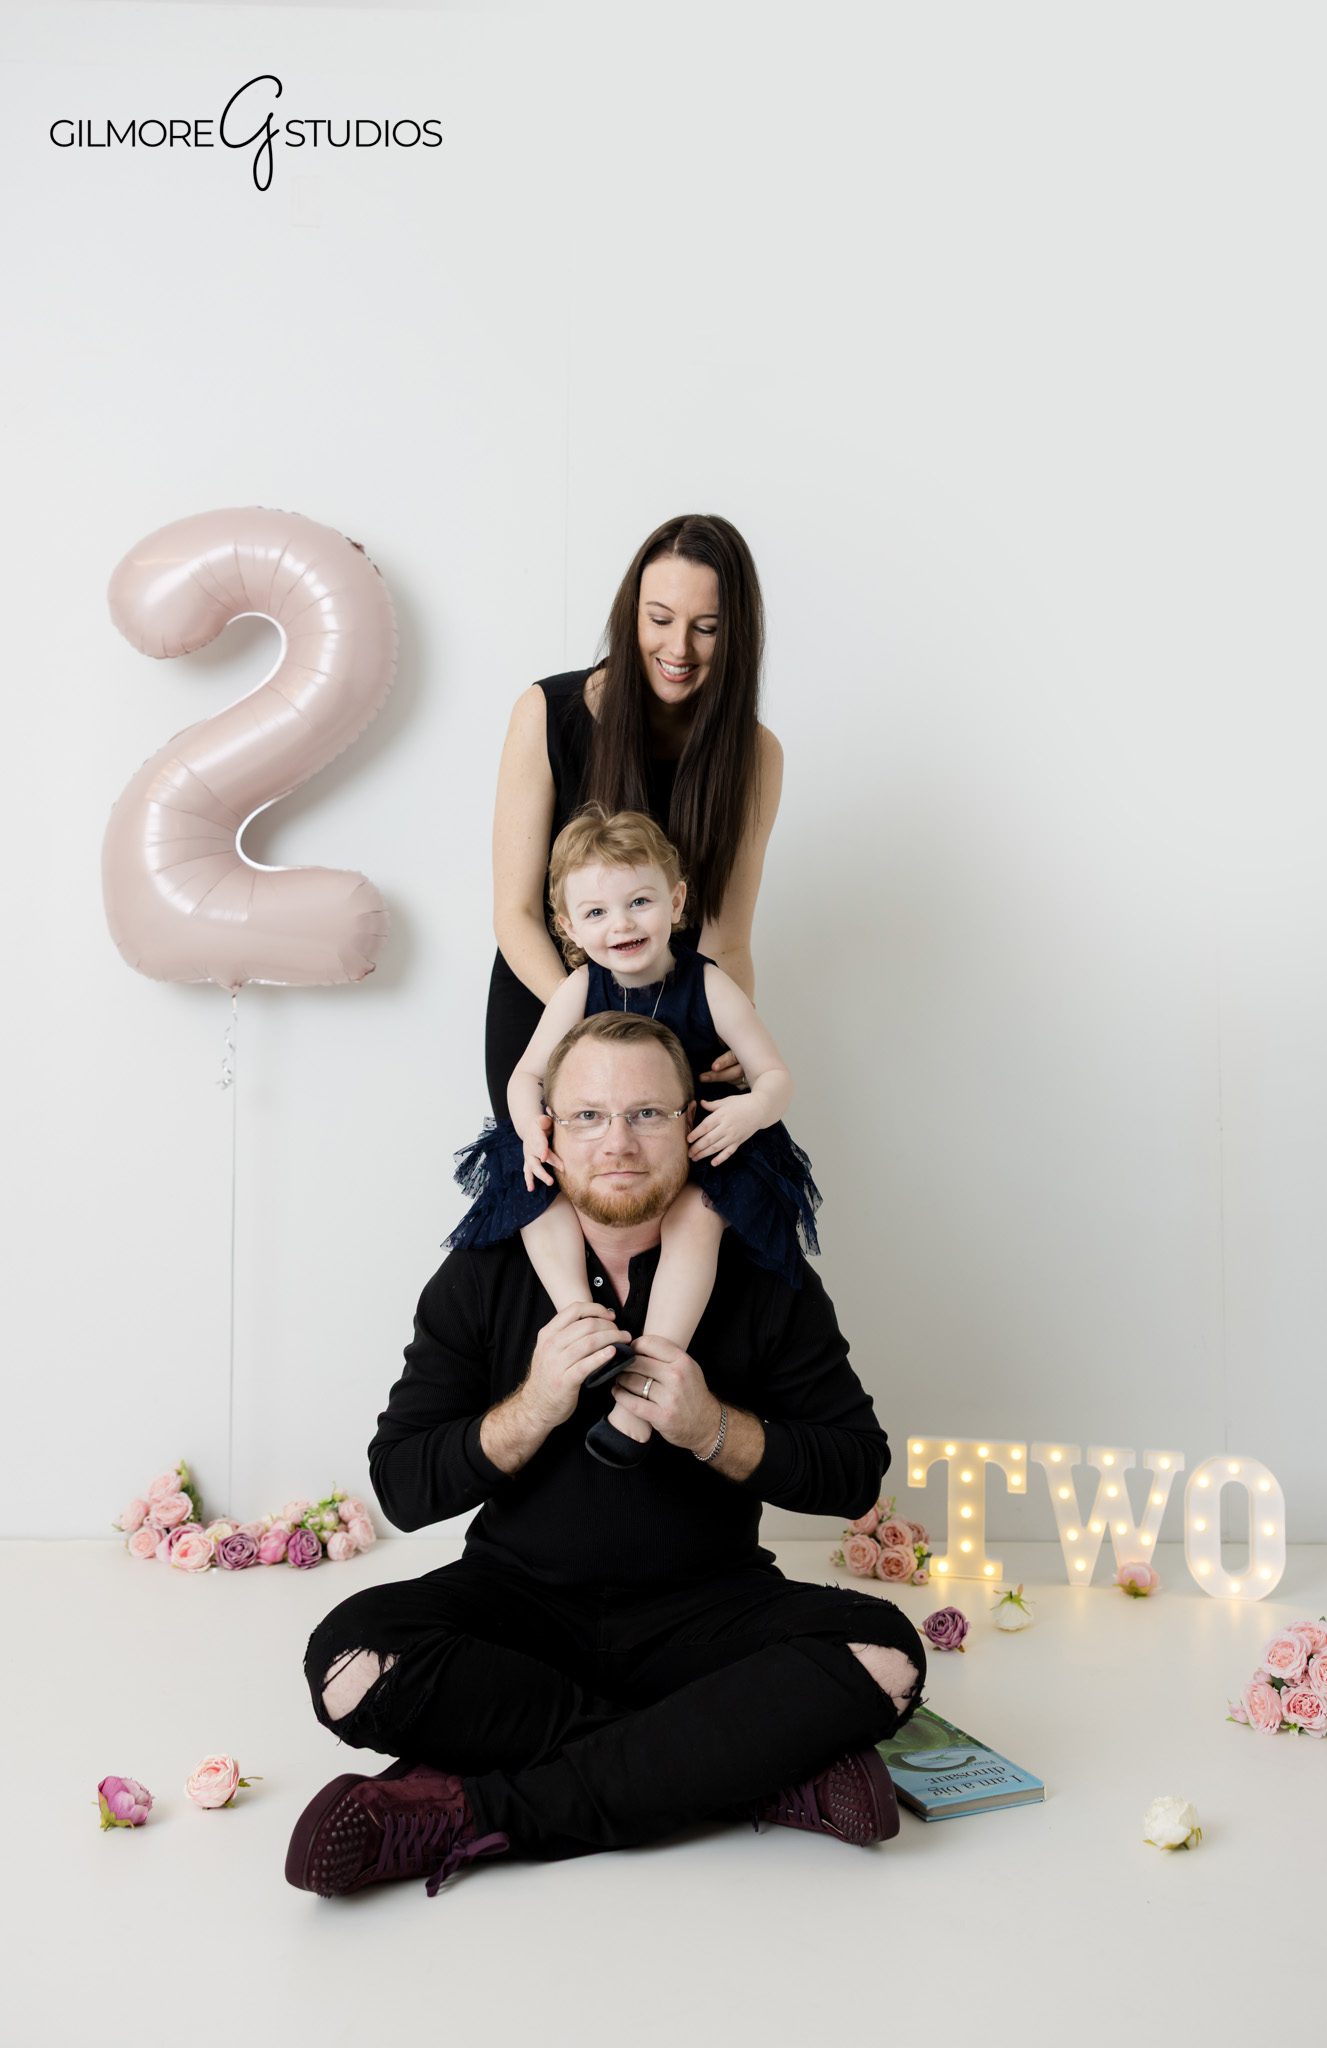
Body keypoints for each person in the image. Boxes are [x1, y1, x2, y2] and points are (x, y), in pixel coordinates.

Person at [290, 1014, 926, 1902]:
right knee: (352, 1662)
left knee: (884, 1656)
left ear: (693, 1123)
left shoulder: (761, 1273)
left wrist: (713, 1428)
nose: (617, 1143)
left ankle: (470, 1811)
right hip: (518, 1612)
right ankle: (741, 1762)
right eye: (587, 1117)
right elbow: (402, 1486)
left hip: (706, 1609)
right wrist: (534, 1408)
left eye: (647, 1116)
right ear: (545, 1130)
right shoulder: (482, 1274)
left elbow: (855, 1471)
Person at [447, 805, 820, 1467]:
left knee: (698, 1217)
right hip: (616, 1143)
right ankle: (586, 1329)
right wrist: (532, 1128)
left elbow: (776, 1077)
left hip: (703, 1137)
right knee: (532, 1189)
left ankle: (642, 1389)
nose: (619, 925)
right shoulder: (577, 987)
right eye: (594, 913)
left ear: (675, 902)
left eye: (639, 901)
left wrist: (749, 1112)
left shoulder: (709, 985)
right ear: (567, 927)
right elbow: (525, 1074)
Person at [484, 511, 783, 1120]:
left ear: (738, 637)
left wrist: (725, 1026)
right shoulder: (546, 711)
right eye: (660, 620)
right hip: (550, 1004)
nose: (679, 648)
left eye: (707, 628)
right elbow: (515, 914)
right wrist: (590, 1017)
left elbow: (728, 938)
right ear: (631, 614)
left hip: (679, 1022)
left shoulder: (755, 755)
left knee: (704, 1204)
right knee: (547, 1205)